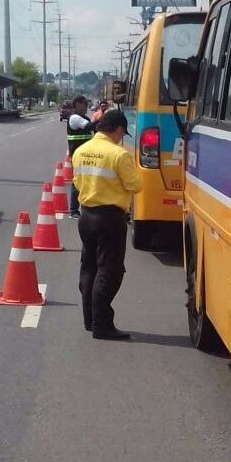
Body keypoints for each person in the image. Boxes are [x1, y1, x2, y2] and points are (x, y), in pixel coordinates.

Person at [72, 109, 142, 340]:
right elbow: (135, 186)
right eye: (123, 132)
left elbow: (76, 182)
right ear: (118, 129)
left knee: (89, 267)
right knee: (109, 270)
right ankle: (102, 324)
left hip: (87, 215)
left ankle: (90, 321)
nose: (122, 137)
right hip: (110, 218)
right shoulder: (119, 155)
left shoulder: (81, 151)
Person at [66, 94, 94, 218]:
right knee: (77, 182)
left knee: (86, 181)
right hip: (78, 155)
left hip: (86, 155)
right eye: (85, 103)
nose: (87, 106)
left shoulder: (84, 117)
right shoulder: (74, 118)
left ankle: (85, 208)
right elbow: (89, 127)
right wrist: (106, 120)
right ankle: (73, 210)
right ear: (77, 104)